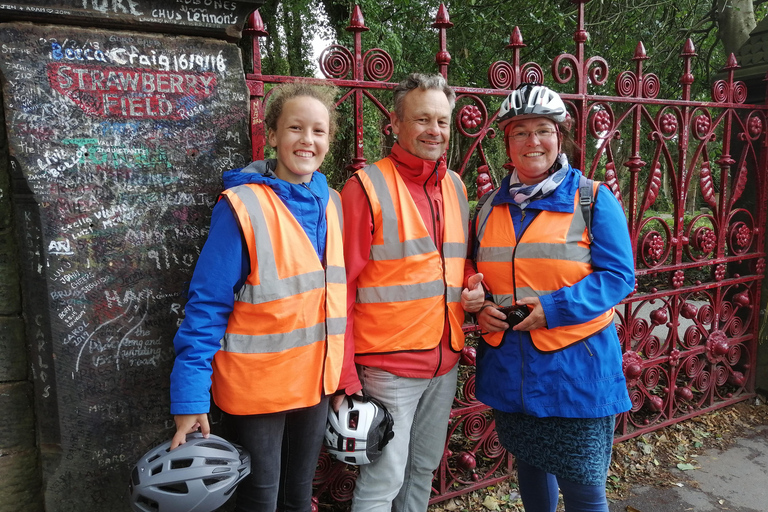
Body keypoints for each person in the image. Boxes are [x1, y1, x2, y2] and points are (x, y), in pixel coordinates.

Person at [169, 81, 359, 512]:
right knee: (259, 501)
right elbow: (206, 306)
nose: (307, 140)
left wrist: (341, 376)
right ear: (272, 135)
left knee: (298, 497)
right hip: (258, 395)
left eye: (318, 131)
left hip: (314, 387)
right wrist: (189, 398)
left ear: (329, 140)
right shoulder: (241, 206)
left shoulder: (331, 202)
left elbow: (333, 301)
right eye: (295, 128)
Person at [469, 83, 635, 512]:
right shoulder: (489, 207)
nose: (532, 141)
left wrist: (554, 309)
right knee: (530, 465)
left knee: (582, 486)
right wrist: (482, 307)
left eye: (542, 129)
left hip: (575, 369)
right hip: (513, 367)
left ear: (561, 136)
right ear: (507, 142)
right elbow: (481, 277)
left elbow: (619, 277)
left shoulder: (593, 199)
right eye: (519, 132)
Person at [341, 72, 485, 512]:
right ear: (396, 125)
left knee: (422, 469)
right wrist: (345, 376)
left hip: (444, 361)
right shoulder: (365, 188)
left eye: (442, 121)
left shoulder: (456, 187)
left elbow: (458, 263)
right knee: (383, 480)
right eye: (422, 119)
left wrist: (473, 284)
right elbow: (340, 288)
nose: (434, 131)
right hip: (389, 369)